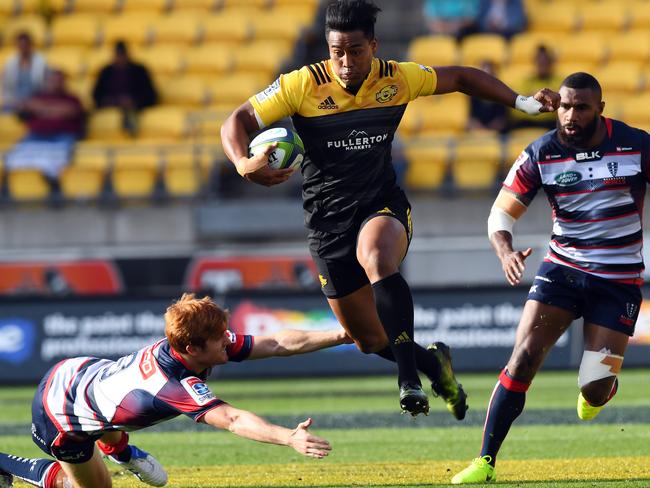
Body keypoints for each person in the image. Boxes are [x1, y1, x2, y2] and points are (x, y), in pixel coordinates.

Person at [221, 0, 558, 418]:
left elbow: (463, 76)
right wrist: (242, 163)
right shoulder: (301, 85)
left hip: (382, 204)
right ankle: (434, 365)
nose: (345, 63)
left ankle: (409, 381)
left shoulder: (397, 78)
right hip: (327, 222)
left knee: (376, 257)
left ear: (374, 45)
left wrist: (522, 103)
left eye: (356, 51)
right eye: (336, 52)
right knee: (367, 338)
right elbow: (235, 121)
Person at [451, 72, 650, 484]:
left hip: (619, 281)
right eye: (564, 105)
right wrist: (505, 250)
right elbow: (501, 214)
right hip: (563, 270)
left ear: (600, 109)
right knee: (523, 357)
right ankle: (484, 461)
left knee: (594, 389)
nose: (570, 115)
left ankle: (601, 389)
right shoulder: (541, 152)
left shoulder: (636, 144)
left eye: (581, 107)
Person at [0, 293, 350, 488]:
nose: (229, 342)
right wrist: (288, 437)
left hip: (84, 376)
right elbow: (231, 418)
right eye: (220, 340)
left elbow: (274, 343)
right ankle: (8, 463)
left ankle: (120, 450)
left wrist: (341, 335)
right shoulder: (173, 384)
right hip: (59, 412)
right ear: (193, 350)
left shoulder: (193, 345)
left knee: (111, 415)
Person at [7, 68, 85, 181]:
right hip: (35, 136)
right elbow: (23, 107)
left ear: (63, 82)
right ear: (46, 81)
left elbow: (69, 111)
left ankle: (52, 187)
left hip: (61, 137)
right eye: (52, 80)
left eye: (58, 80)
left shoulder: (72, 98)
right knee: (15, 159)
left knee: (55, 164)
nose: (55, 83)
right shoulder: (37, 96)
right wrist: (54, 110)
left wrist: (40, 109)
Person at [92, 40, 158, 134]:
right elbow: (96, 95)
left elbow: (151, 95)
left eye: (122, 55)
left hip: (135, 108)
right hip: (109, 107)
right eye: (118, 55)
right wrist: (112, 101)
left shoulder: (140, 71)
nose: (120, 59)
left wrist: (133, 101)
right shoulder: (106, 72)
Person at [510, 45, 562, 130]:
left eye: (545, 62)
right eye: (540, 63)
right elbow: (515, 106)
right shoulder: (525, 81)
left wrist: (531, 97)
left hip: (550, 123)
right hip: (526, 122)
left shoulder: (559, 81)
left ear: (550, 63)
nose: (542, 66)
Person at [2, 31, 47, 112]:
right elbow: (6, 87)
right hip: (14, 101)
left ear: (30, 45)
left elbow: (44, 85)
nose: (23, 48)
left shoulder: (41, 62)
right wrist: (13, 101)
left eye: (25, 45)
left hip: (36, 101)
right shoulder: (10, 63)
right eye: (20, 45)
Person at [467, 60, 508, 133]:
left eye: (490, 76)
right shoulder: (473, 95)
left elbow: (502, 121)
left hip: (498, 136)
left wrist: (487, 131)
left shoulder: (503, 94)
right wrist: (481, 131)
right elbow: (471, 120)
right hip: (478, 135)